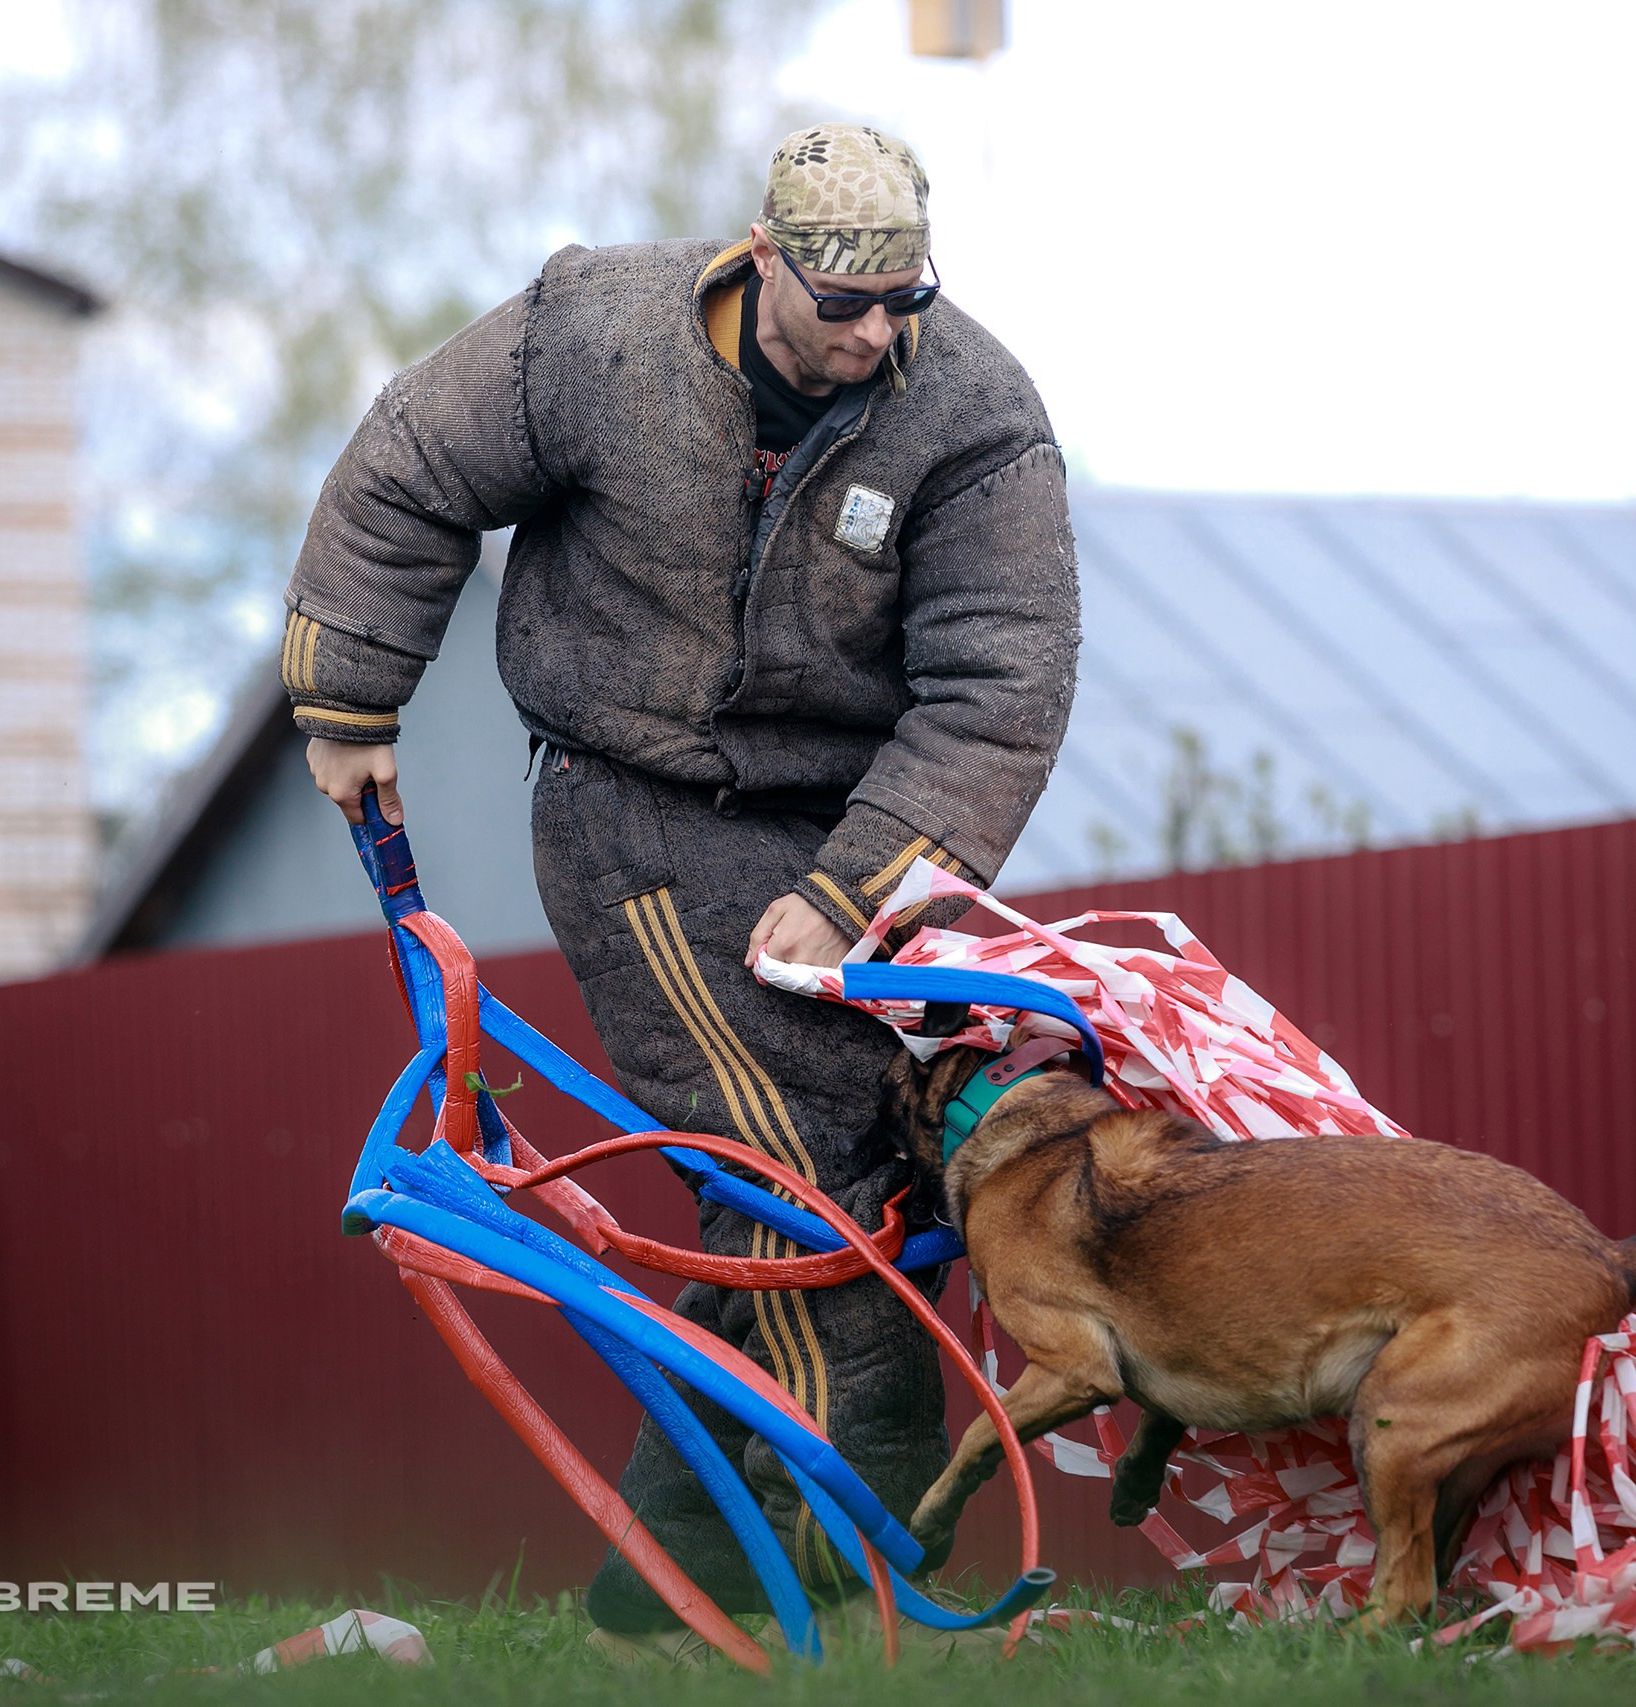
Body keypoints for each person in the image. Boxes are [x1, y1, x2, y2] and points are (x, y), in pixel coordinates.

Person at [280, 122, 1079, 1646]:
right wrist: (349, 702)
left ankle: (674, 1571)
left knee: (852, 1159)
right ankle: (866, 1552)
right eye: (841, 304)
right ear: (763, 259)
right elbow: (406, 470)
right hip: (629, 805)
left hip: (846, 829)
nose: (874, 336)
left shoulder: (974, 413)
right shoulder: (591, 336)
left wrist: (851, 888)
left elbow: (1002, 687)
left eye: (903, 303)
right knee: (792, 1159)